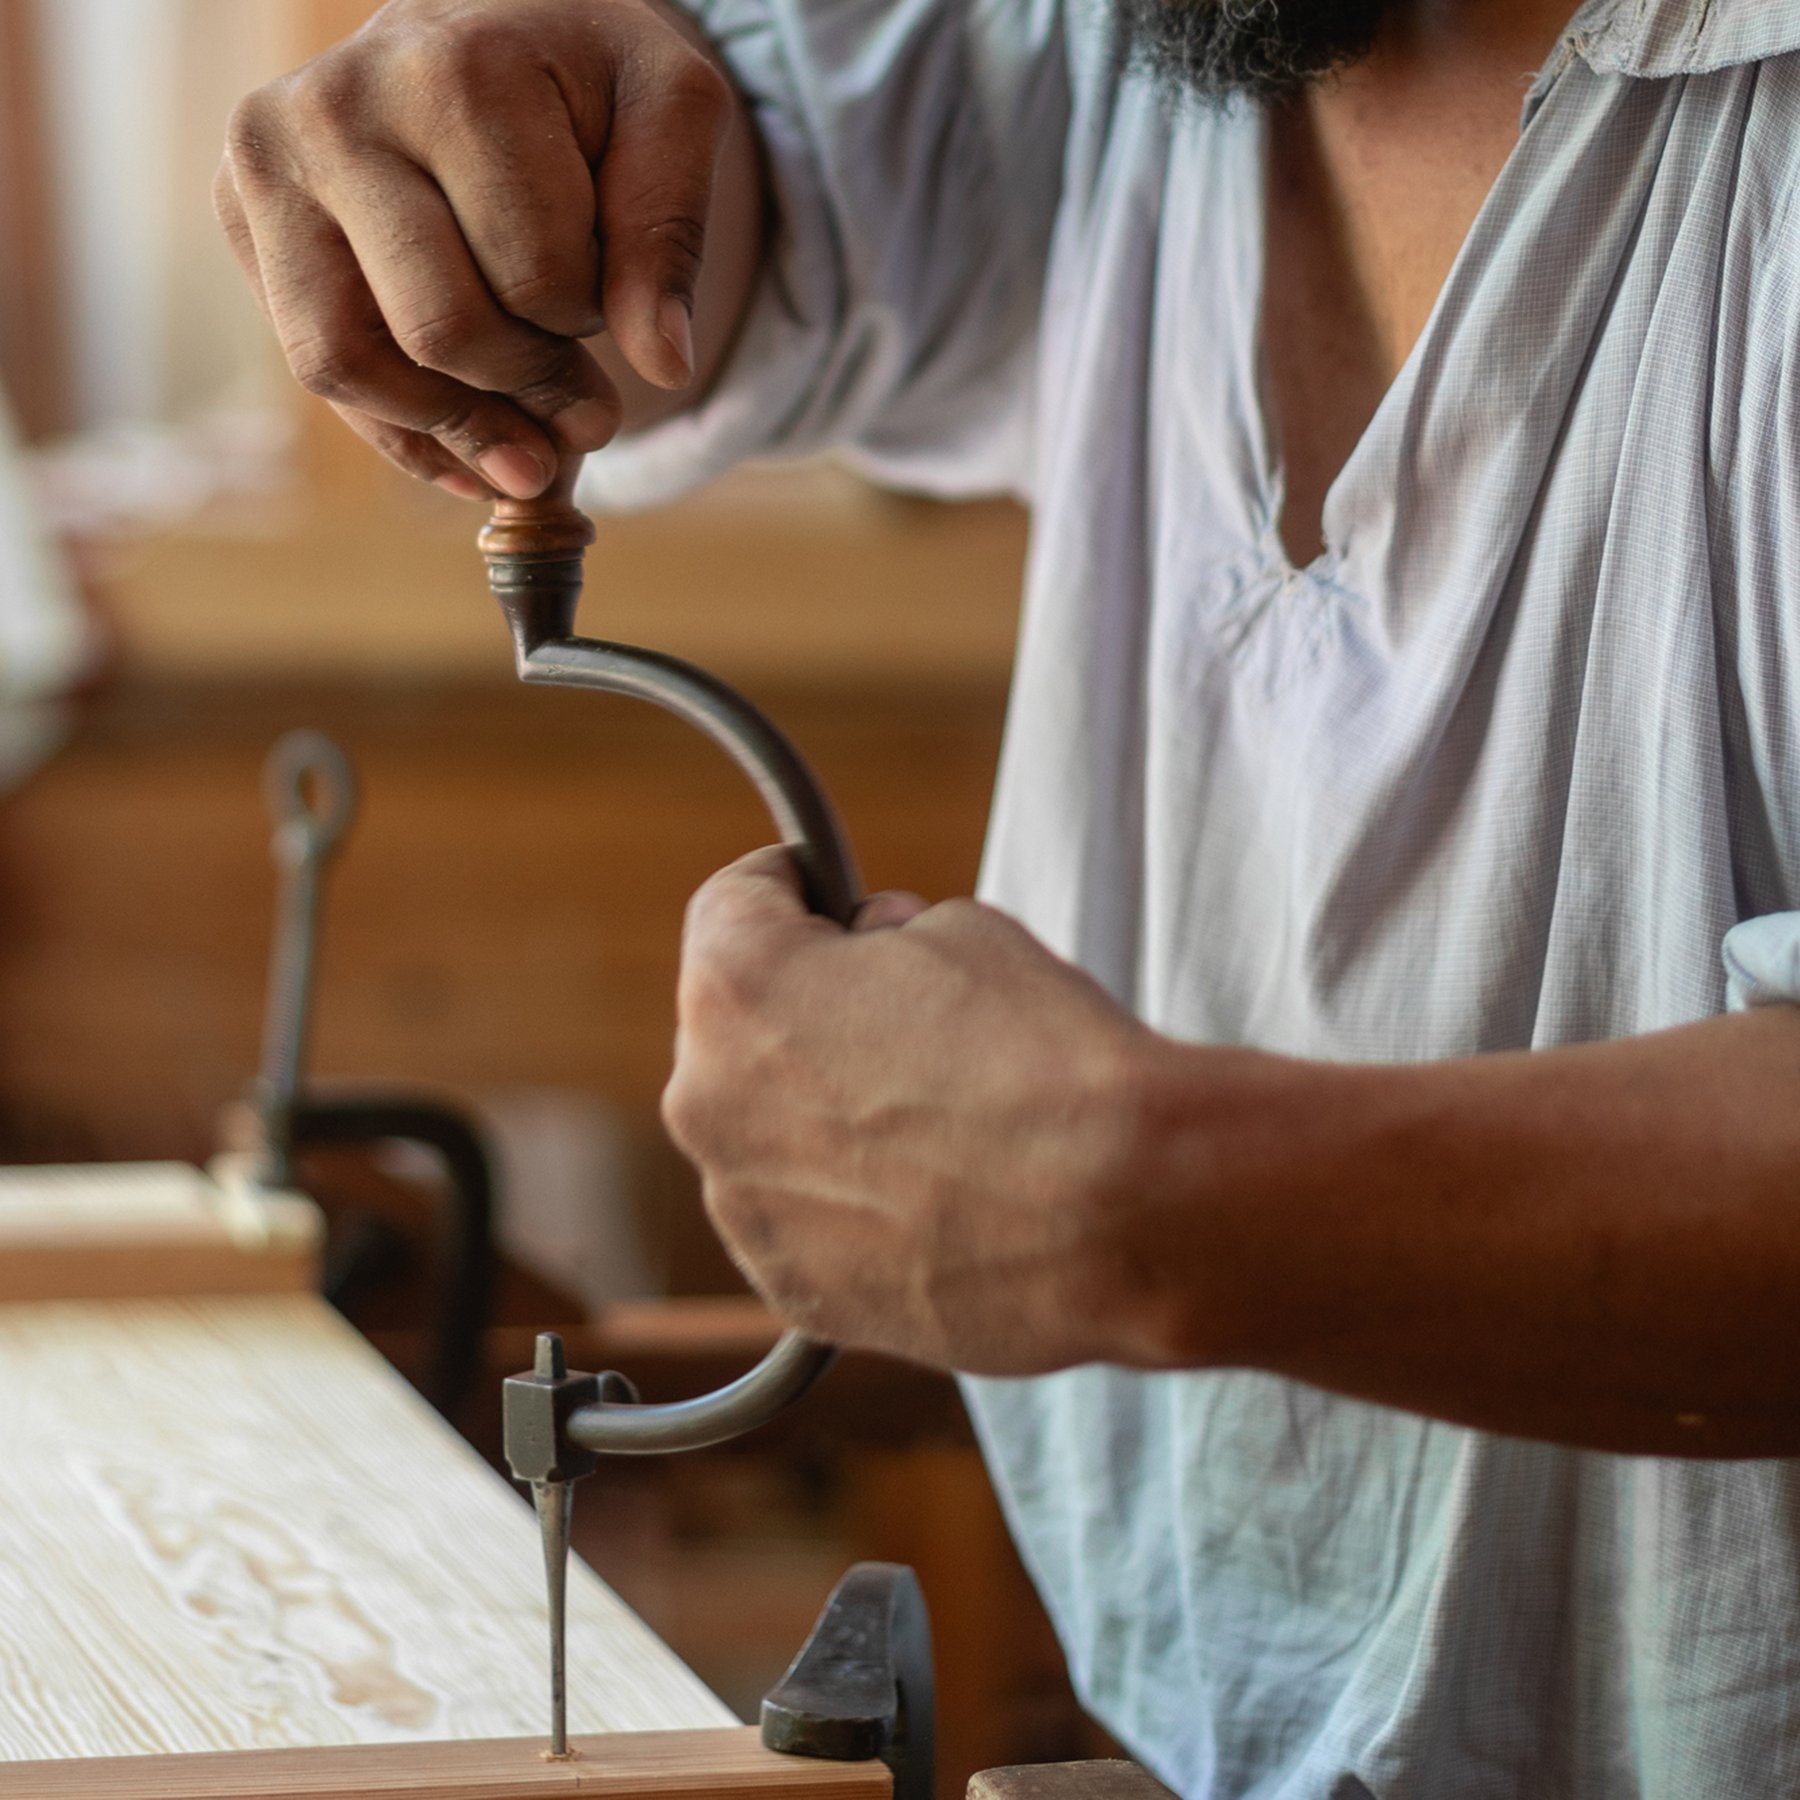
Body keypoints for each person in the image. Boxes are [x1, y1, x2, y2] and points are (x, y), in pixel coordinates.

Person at [217, 1, 1800, 1791]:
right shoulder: (1143, 31)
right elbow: (739, 204)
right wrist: (510, 160)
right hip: (1190, 1719)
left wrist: (1157, 1198)